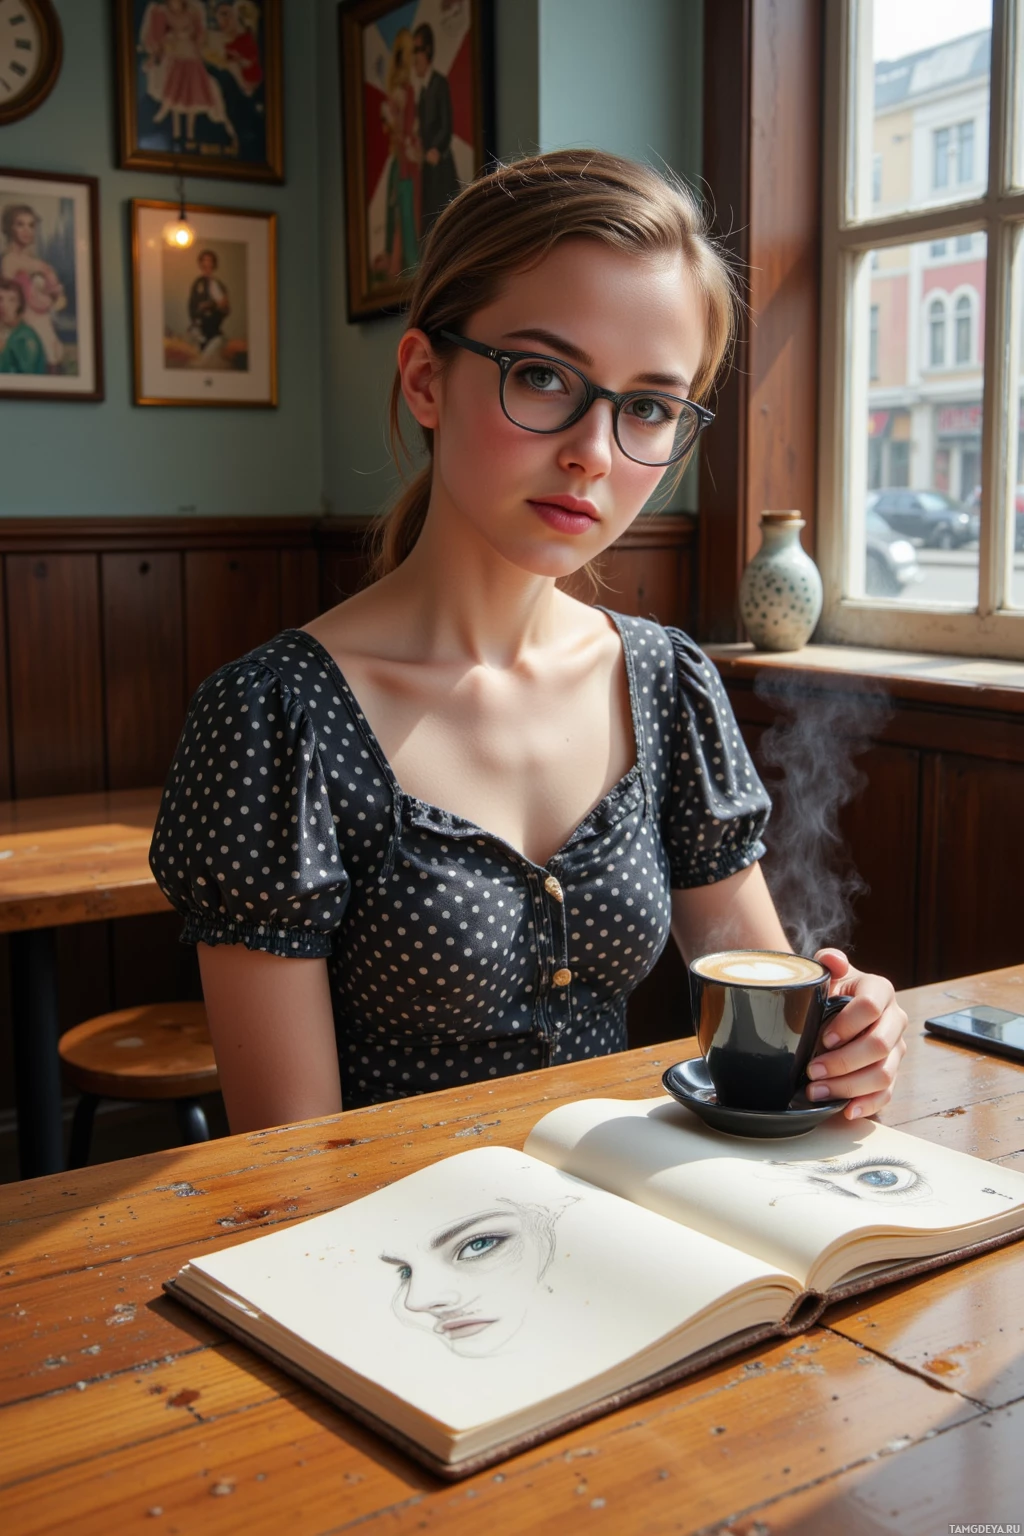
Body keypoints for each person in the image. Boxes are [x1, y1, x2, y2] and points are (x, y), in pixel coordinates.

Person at [150, 149, 908, 1135]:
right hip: (380, 1264)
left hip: (627, 1230)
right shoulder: (275, 718)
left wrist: (841, 1045)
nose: (593, 453)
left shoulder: (664, 684)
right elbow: (287, 1163)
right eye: (544, 376)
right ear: (427, 379)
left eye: (647, 407)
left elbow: (761, 1042)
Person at [0, 203, 66, 370]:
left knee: (54, 355)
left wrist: (51, 293)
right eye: (20, 224)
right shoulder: (10, 260)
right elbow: (10, 297)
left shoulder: (34, 260)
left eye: (31, 225)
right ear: (9, 228)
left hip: (41, 318)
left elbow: (56, 297)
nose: (27, 230)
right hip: (24, 321)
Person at [411, 22, 459, 234]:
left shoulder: (439, 84)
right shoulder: (421, 92)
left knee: (446, 224)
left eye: (417, 50)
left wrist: (435, 150)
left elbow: (446, 125)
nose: (414, 58)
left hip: (441, 168)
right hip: (428, 172)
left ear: (428, 51)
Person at [187, 248, 230, 359]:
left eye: (210, 260)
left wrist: (215, 305)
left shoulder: (219, 285)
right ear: (201, 264)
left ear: (214, 264)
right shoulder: (198, 283)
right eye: (204, 260)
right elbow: (193, 305)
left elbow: (225, 307)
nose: (207, 263)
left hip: (214, 330)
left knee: (212, 351)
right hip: (199, 329)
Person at [0, 277, 48, 374]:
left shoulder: (25, 337)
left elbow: (23, 379)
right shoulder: (4, 330)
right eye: (0, 299)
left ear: (19, 305)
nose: (4, 305)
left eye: (12, 300)